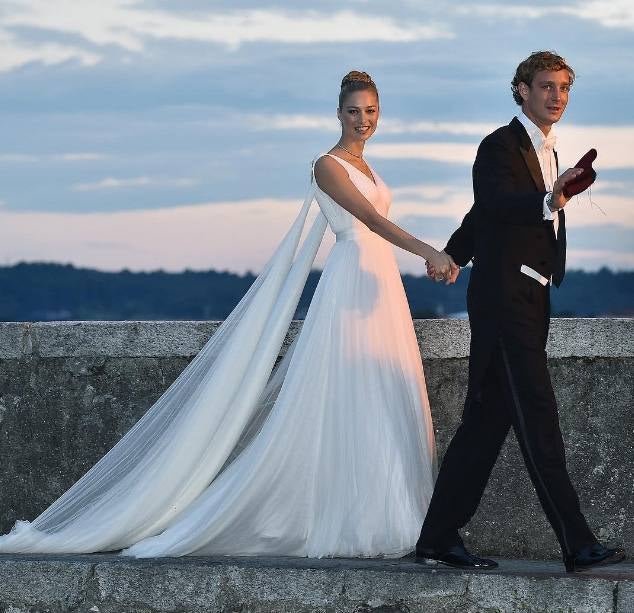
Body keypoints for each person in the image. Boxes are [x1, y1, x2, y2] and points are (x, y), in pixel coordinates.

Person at [0, 71, 453, 558]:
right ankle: (348, 519)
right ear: (337, 113)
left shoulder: (370, 165)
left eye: (370, 111)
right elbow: (370, 220)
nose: (362, 120)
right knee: (346, 397)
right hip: (351, 278)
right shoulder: (327, 165)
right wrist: (428, 249)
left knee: (383, 397)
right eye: (352, 111)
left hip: (380, 285)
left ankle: (389, 514)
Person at [418, 51, 626, 573]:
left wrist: (453, 255)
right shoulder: (499, 146)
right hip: (503, 300)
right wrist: (549, 199)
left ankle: (438, 538)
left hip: (531, 299)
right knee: (538, 415)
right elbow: (499, 202)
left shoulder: (548, 150)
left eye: (563, 88)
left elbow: (480, 215)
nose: (556, 96)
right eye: (546, 87)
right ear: (521, 90)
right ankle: (578, 544)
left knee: (485, 424)